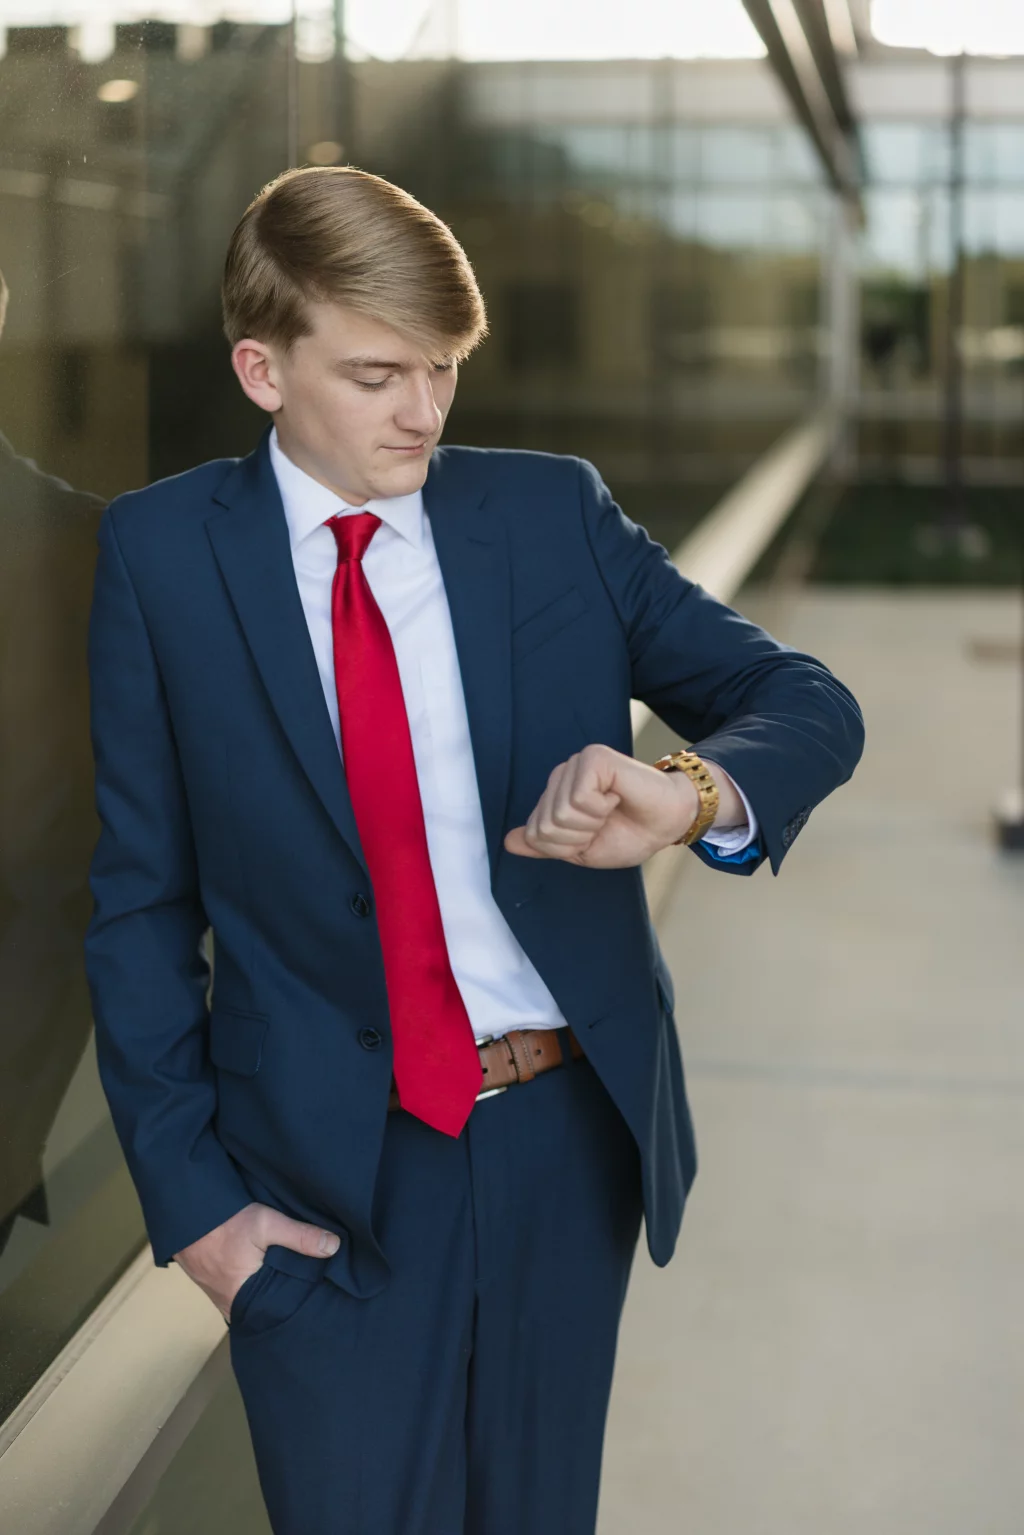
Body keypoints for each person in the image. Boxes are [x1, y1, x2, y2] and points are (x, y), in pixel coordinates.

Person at [84, 166, 864, 1535]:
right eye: (380, 374)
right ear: (261, 369)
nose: (426, 412)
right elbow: (139, 905)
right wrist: (198, 1207)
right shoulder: (158, 558)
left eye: (445, 370)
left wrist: (684, 795)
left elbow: (805, 702)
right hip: (319, 1174)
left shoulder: (549, 515)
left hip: (561, 1143)